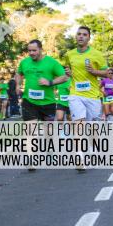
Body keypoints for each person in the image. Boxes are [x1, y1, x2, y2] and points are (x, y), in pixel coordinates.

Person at [61, 26, 109, 171]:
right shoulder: (69, 54)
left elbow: (107, 73)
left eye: (84, 34)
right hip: (75, 94)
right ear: (76, 37)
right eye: (79, 34)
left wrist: (94, 71)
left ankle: (93, 149)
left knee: (93, 130)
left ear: (89, 38)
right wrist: (67, 72)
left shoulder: (97, 54)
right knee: (78, 125)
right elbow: (68, 70)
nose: (81, 36)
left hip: (93, 96)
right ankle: (79, 158)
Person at [16, 39, 69, 170]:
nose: (31, 53)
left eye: (34, 50)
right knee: (29, 130)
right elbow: (19, 73)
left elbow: (64, 77)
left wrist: (50, 82)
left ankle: (50, 150)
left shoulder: (51, 63)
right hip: (29, 101)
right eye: (29, 51)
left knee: (49, 131)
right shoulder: (24, 62)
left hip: (48, 103)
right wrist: (18, 84)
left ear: (40, 49)